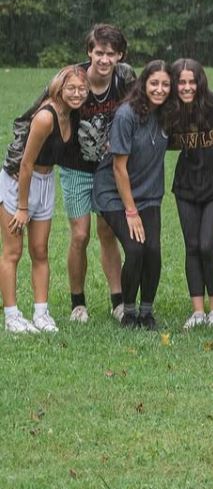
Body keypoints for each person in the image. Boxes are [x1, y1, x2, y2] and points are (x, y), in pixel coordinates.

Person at [1, 66, 87, 333]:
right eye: (71, 88)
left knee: (40, 250)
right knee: (13, 252)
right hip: (19, 183)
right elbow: (26, 164)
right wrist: (23, 207)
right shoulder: (46, 117)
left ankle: (41, 312)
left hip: (45, 183)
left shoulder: (70, 115)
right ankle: (12, 316)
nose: (77, 93)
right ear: (58, 88)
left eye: (82, 89)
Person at [58, 24, 133, 322]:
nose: (104, 60)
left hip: (108, 167)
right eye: (99, 53)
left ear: (120, 56)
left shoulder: (125, 77)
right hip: (76, 166)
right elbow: (42, 110)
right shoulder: (71, 78)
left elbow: (142, 109)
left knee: (107, 232)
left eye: (110, 54)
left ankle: (118, 300)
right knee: (80, 235)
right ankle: (78, 302)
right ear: (89, 52)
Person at [92, 61, 172, 329]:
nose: (159, 89)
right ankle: (128, 312)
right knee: (135, 249)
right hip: (115, 192)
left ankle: (146, 312)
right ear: (144, 84)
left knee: (153, 251)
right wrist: (130, 211)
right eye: (154, 83)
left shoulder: (167, 113)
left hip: (148, 193)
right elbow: (118, 167)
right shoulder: (127, 115)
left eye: (165, 84)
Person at [165, 59, 213, 328]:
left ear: (200, 82)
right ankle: (198, 311)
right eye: (181, 82)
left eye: (192, 81)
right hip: (186, 186)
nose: (187, 87)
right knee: (191, 246)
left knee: (208, 245)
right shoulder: (169, 112)